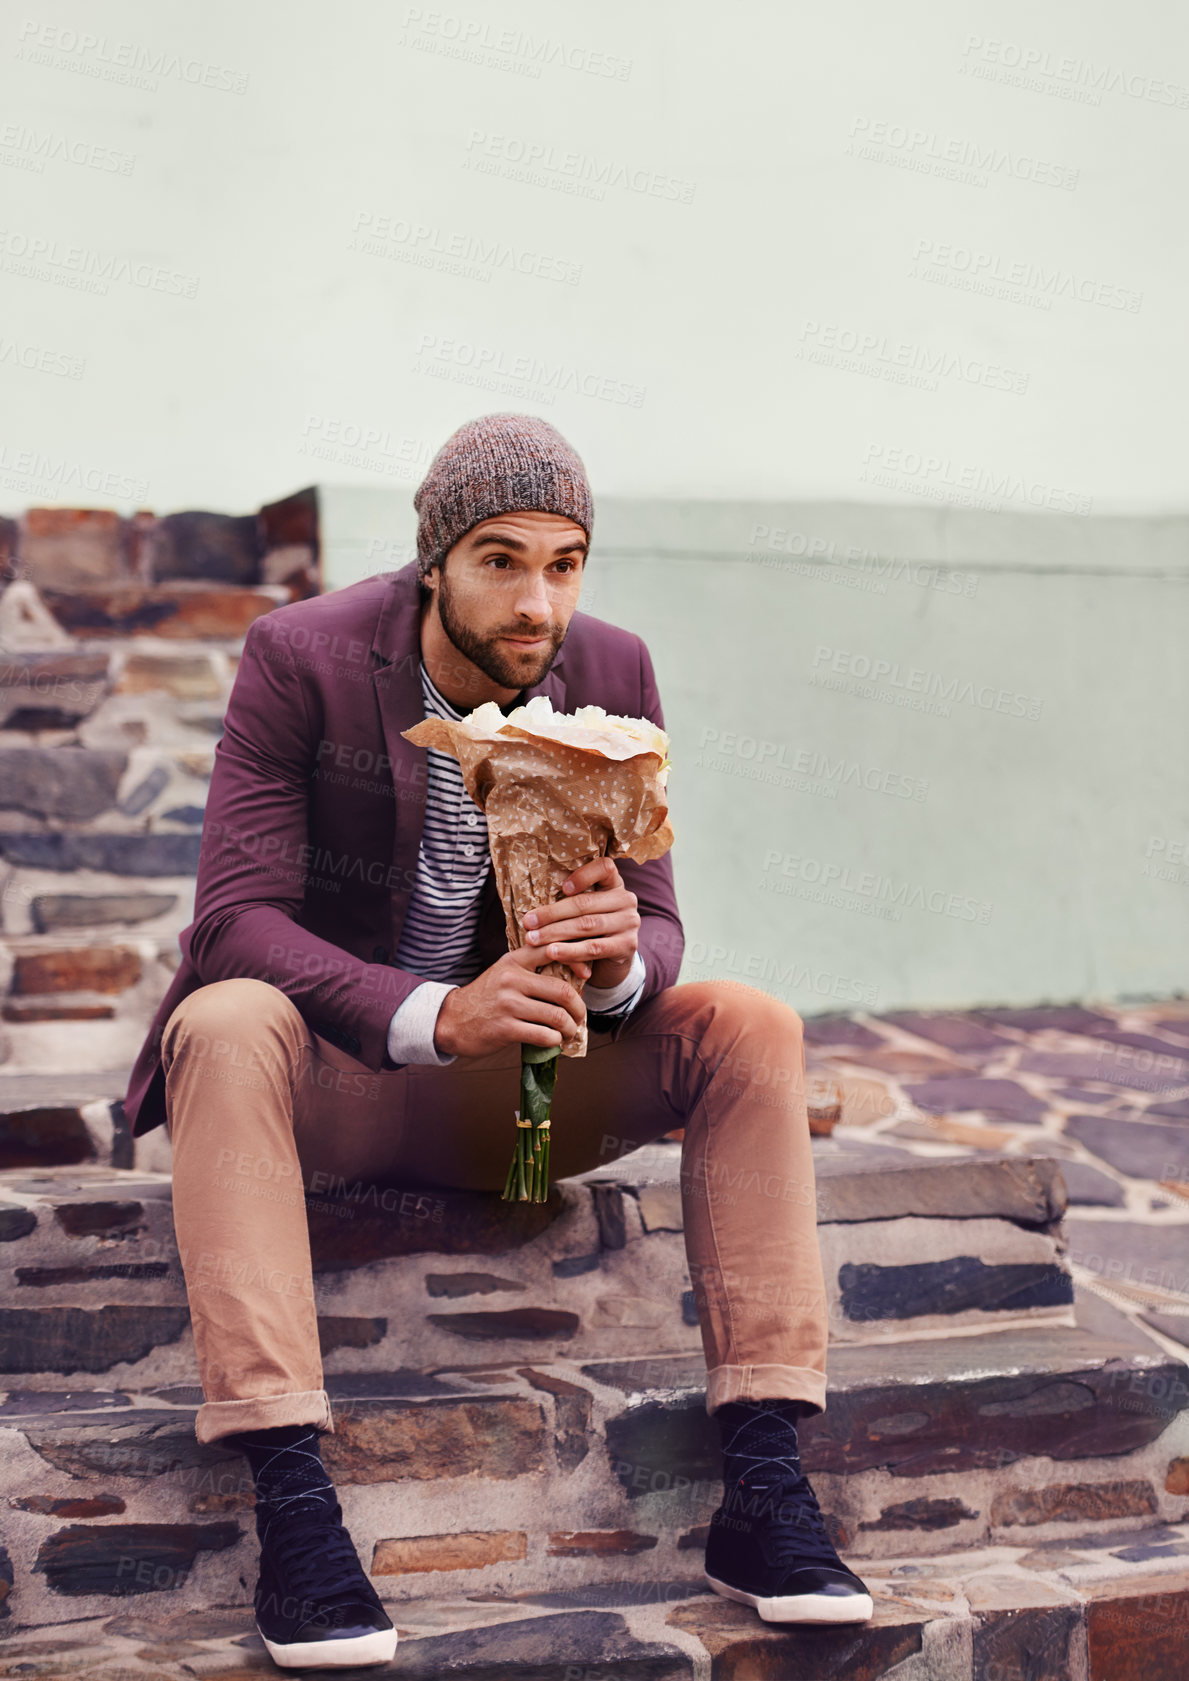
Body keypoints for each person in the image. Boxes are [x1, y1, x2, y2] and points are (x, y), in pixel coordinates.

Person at [123, 413, 873, 1669]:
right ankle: (297, 1509)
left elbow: (666, 926)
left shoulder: (612, 672)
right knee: (223, 1012)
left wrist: (621, 958)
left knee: (750, 1021)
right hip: (343, 1084)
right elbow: (235, 919)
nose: (539, 601)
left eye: (566, 562)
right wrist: (431, 1012)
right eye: (501, 559)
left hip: (518, 1101)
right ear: (433, 559)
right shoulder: (298, 656)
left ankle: (761, 1486)